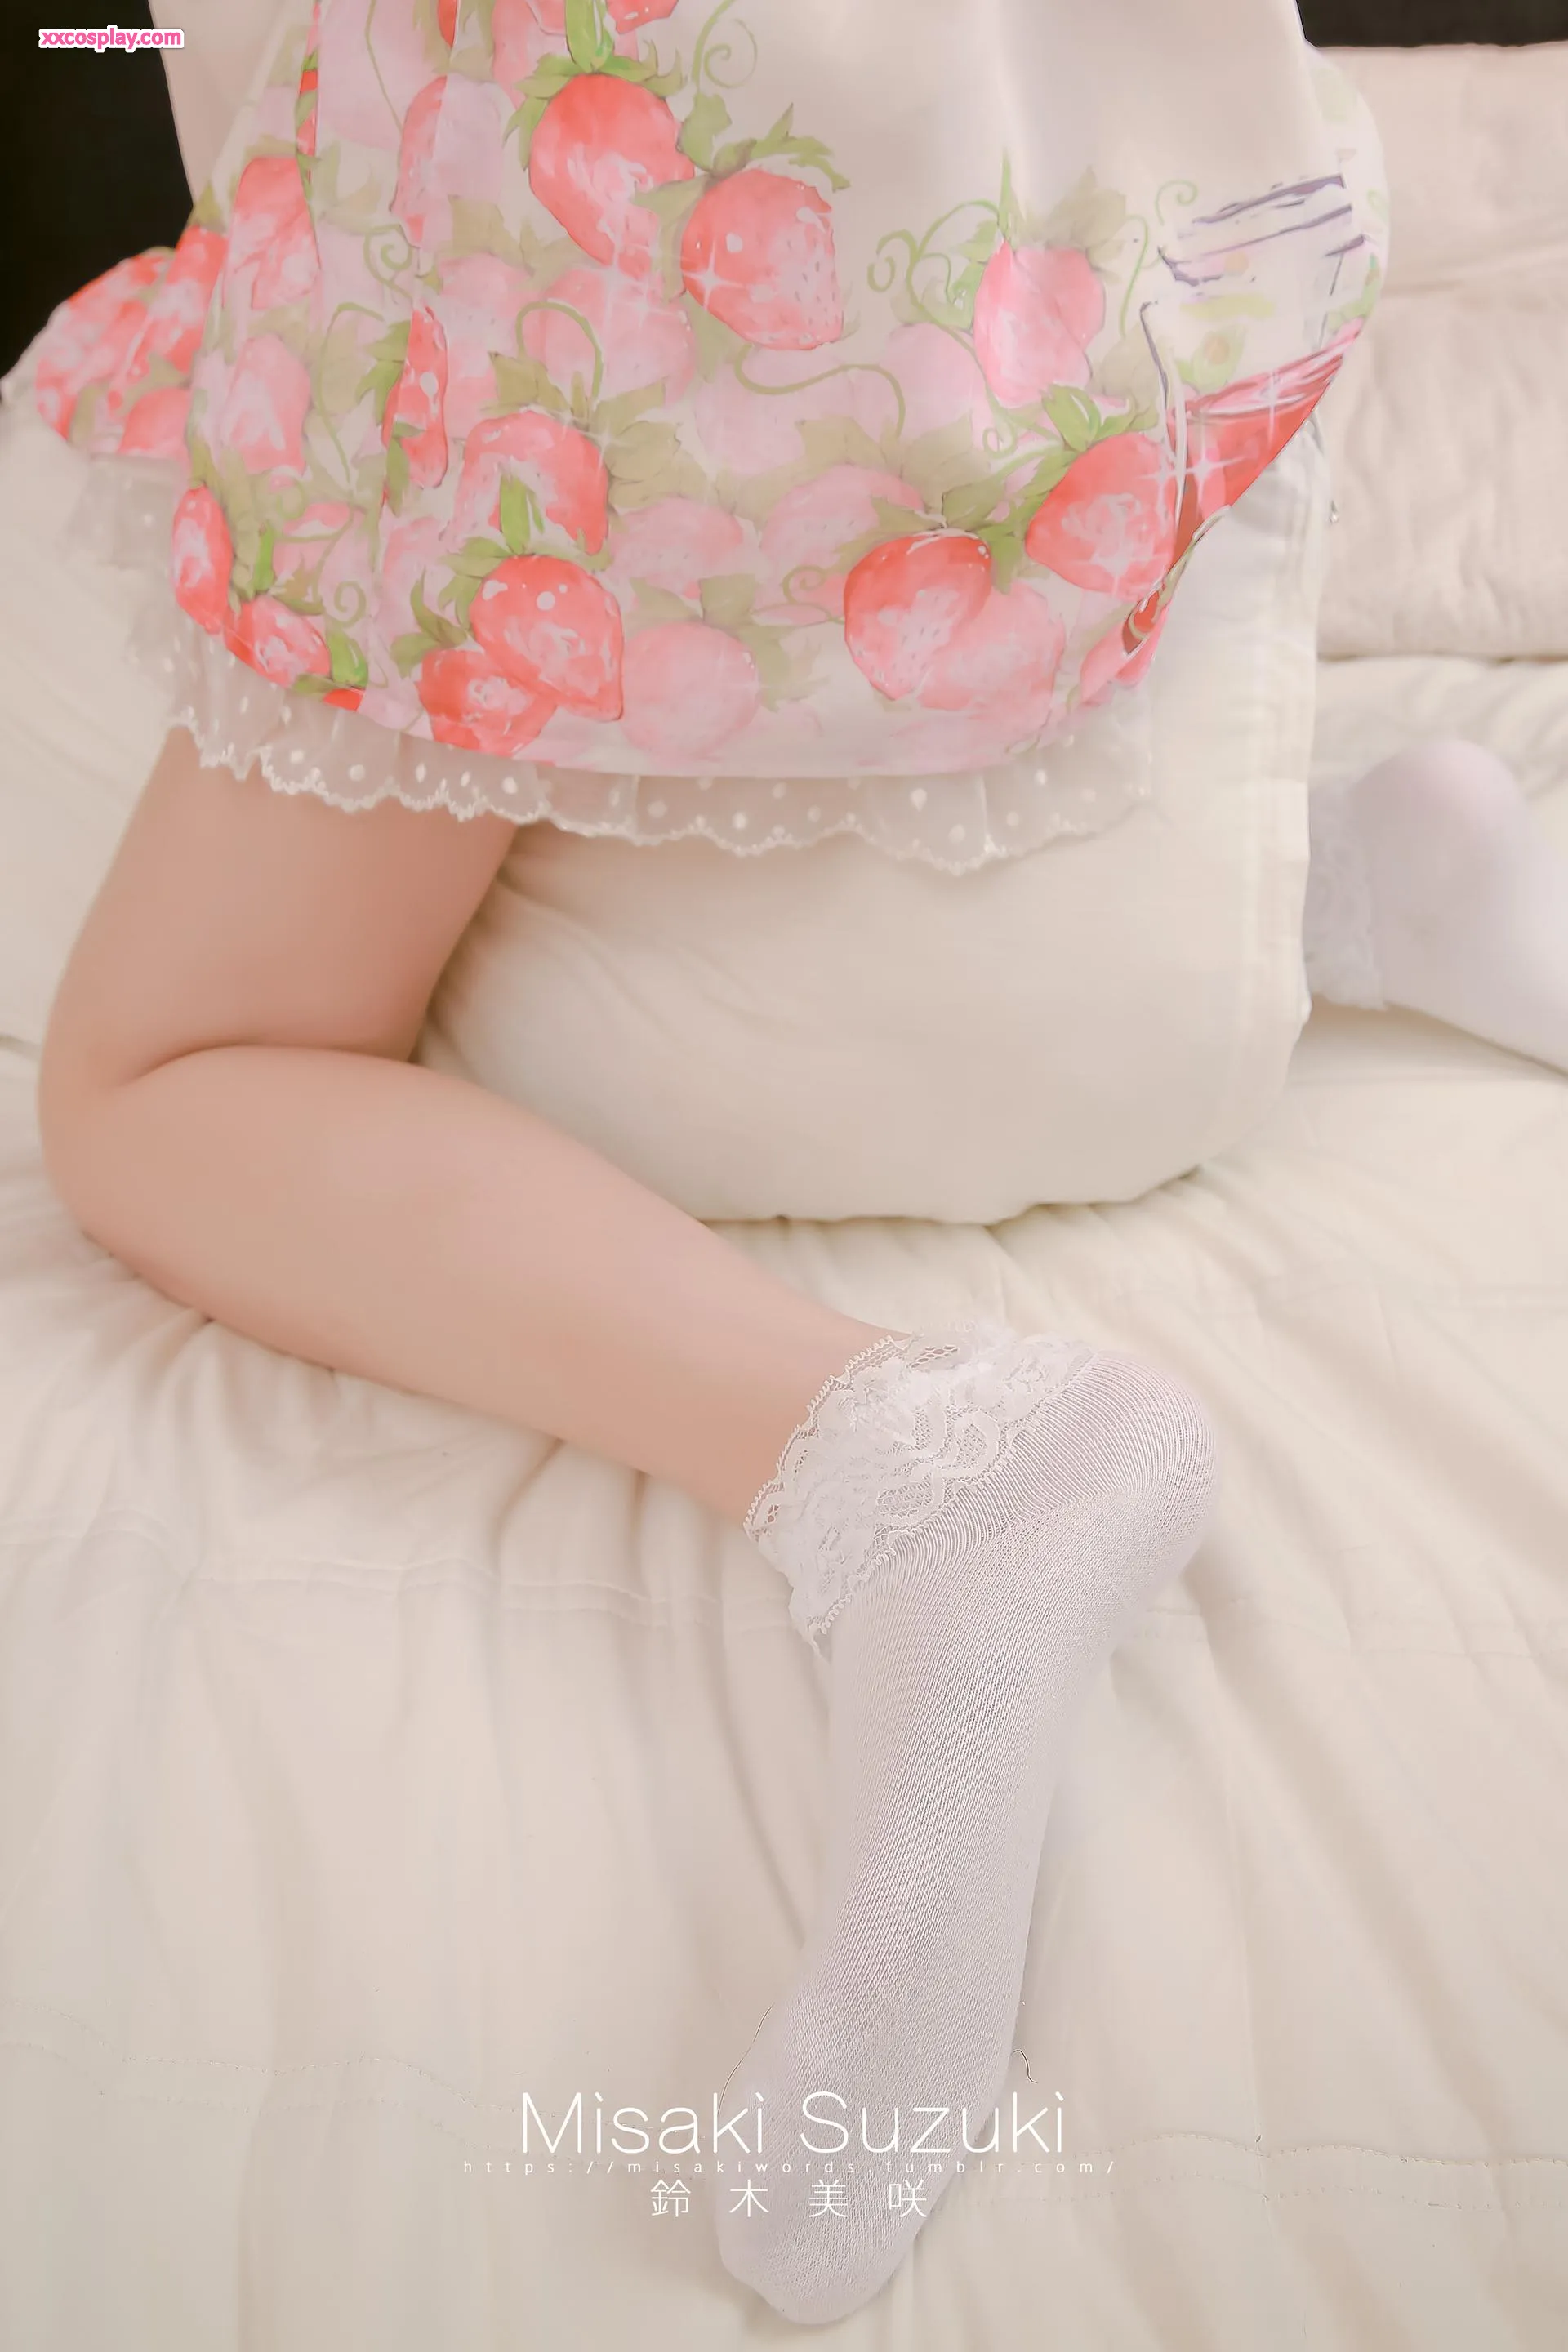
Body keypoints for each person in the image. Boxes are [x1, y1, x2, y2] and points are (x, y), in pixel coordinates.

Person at [16, 0, 1568, 2323]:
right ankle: (1335, 888)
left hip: (627, 201)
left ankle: (905, 1459)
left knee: (162, 1074)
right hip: (1066, 271)